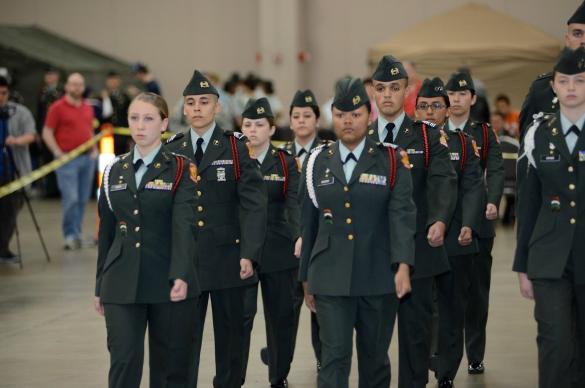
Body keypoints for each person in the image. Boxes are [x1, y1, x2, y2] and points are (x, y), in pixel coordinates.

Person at [300, 77, 416, 388]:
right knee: (334, 356)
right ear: (332, 117)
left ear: (369, 115)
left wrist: (403, 265)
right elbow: (309, 223)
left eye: (355, 114)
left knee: (374, 359)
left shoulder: (392, 159)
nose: (347, 121)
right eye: (340, 115)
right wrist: (305, 278)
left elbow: (402, 215)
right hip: (329, 274)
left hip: (378, 273)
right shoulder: (315, 161)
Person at [165, 70, 267, 388]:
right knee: (181, 343)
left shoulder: (236, 148)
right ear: (183, 108)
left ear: (218, 107)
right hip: (187, 262)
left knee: (232, 343)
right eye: (191, 102)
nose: (197, 108)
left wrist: (250, 254)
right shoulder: (172, 150)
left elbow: (254, 205)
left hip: (228, 260)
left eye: (204, 102)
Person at [95, 92, 199, 388]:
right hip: (120, 280)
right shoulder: (114, 169)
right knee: (124, 361)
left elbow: (184, 225)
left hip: (168, 279)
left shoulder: (180, 168)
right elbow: (108, 231)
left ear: (164, 123)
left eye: (149, 118)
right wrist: (99, 284)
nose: (140, 126)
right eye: (134, 118)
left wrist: (180, 273)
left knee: (169, 370)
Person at [368, 55, 457, 388]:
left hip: (419, 248)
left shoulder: (426, 136)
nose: (387, 94)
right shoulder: (359, 136)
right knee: (373, 338)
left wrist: (439, 220)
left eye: (395, 87)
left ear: (407, 90)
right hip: (372, 252)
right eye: (381, 88)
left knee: (416, 336)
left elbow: (442, 181)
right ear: (373, 93)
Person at [514, 46, 585, 388]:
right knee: (554, 344)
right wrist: (522, 265)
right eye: (564, 81)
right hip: (548, 257)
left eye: (580, 81)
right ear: (553, 87)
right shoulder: (537, 134)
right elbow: (528, 203)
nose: (571, 87)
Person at [415, 77, 484, 388]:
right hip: (416, 241)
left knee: (452, 308)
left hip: (456, 239)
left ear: (447, 111)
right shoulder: (405, 145)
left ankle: (446, 373)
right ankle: (421, 362)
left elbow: (472, 187)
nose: (430, 112)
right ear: (415, 111)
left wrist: (469, 222)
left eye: (436, 106)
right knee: (419, 310)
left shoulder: (463, 143)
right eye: (424, 106)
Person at [444, 72, 505, 375]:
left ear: (472, 99)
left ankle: (475, 354)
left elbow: (495, 168)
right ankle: (440, 352)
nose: (455, 98)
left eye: (461, 93)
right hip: (442, 225)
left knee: (476, 293)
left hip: (479, 223)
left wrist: (493, 200)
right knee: (440, 291)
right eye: (451, 93)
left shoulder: (483, 133)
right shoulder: (434, 131)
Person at [240, 98, 300, 388]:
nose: (253, 129)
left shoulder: (286, 162)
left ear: (272, 128)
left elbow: (296, 203)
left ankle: (278, 375)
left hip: (278, 247)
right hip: (243, 251)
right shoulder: (234, 161)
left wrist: (300, 236)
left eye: (259, 125)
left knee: (281, 317)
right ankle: (233, 375)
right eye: (248, 124)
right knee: (241, 317)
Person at [278, 89, 326, 372]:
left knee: (320, 306)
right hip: (286, 244)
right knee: (286, 308)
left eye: (307, 115)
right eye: (296, 116)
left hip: (318, 241)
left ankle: (324, 361)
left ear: (317, 121)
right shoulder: (281, 155)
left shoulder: (327, 153)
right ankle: (282, 365)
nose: (301, 121)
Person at [42, 73, 98, 250]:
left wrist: (95, 148)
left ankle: (77, 233)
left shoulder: (88, 107)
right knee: (71, 199)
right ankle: (69, 235)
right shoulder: (57, 107)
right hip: (67, 160)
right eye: (73, 84)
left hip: (87, 159)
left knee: (82, 199)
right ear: (66, 86)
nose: (77, 88)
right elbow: (47, 132)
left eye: (80, 84)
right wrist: (58, 153)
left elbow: (89, 129)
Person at [519, 1, 585, 140]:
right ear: (567, 40)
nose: (583, 40)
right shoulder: (541, 89)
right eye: (578, 34)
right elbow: (527, 146)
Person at [0, 76, 36, 262]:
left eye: (4, 93)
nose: (1, 97)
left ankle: (3, 248)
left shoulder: (20, 112)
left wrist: (16, 141)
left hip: (13, 171)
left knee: (10, 211)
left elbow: (31, 134)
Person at [101, 70, 132, 155]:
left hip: (122, 135)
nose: (112, 82)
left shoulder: (125, 97)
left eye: (115, 79)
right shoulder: (103, 96)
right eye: (110, 80)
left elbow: (129, 115)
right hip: (107, 134)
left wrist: (129, 136)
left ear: (119, 81)